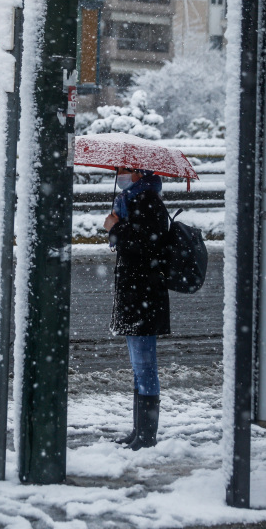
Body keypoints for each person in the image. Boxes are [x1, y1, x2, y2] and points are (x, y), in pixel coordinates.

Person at [103, 167, 169, 451]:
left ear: (140, 173)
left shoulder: (147, 201)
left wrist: (115, 228)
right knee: (139, 367)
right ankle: (139, 431)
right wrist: (117, 226)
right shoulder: (132, 199)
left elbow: (147, 245)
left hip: (144, 294)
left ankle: (146, 436)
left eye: (125, 170)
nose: (120, 174)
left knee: (145, 367)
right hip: (136, 293)